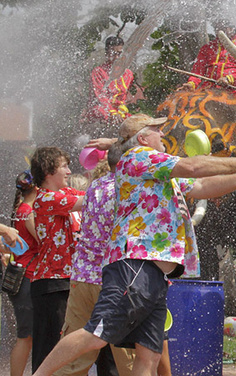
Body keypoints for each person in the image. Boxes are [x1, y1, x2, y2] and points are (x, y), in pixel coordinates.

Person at [31, 114, 236, 376]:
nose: (162, 134)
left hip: (155, 273)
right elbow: (193, 168)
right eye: (156, 129)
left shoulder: (160, 172)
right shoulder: (138, 157)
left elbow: (199, 185)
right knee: (95, 335)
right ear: (142, 138)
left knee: (149, 356)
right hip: (135, 265)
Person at [54, 159, 134, 376]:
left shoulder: (95, 186)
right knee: (131, 361)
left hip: (82, 278)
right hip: (115, 281)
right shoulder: (130, 187)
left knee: (73, 360)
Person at [27, 148, 85, 372]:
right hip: (51, 284)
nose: (69, 171)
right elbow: (91, 200)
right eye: (64, 166)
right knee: (49, 351)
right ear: (48, 171)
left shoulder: (67, 192)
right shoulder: (45, 198)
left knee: (67, 351)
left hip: (70, 280)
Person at [182, 22, 236, 109]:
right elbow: (197, 72)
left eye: (227, 26)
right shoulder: (207, 47)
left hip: (234, 91)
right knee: (185, 104)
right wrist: (192, 83)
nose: (224, 28)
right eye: (219, 26)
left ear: (234, 27)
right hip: (208, 89)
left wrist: (229, 79)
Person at [7, 171, 38, 376]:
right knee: (26, 336)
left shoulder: (19, 209)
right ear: (37, 187)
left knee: (26, 336)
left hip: (21, 276)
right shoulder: (29, 212)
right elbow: (44, 241)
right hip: (28, 277)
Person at [84, 37, 139, 126]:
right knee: (101, 113)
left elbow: (123, 98)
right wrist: (112, 113)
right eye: (113, 53)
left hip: (119, 112)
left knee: (136, 123)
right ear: (107, 53)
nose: (117, 57)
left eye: (119, 54)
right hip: (101, 109)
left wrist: (120, 111)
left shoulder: (128, 74)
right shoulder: (98, 72)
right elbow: (100, 96)